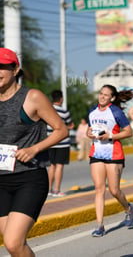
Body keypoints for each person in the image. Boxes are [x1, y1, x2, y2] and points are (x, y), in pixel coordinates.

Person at [0, 48, 68, 256]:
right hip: (1, 180)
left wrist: (34, 149)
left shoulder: (32, 97)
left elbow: (61, 130)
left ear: (15, 69)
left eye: (3, 66)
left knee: (13, 242)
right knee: (14, 245)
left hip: (29, 178)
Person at [87, 84, 133, 237]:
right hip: (96, 153)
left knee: (114, 190)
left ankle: (128, 208)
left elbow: (129, 132)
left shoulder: (116, 112)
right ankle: (100, 225)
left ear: (112, 98)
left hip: (114, 154)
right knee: (99, 189)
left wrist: (110, 136)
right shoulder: (92, 111)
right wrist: (90, 133)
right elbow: (89, 130)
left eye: (106, 95)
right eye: (101, 93)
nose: (102, 96)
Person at [47, 90, 74, 197]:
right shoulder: (64, 112)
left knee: (51, 166)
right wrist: (69, 127)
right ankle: (57, 190)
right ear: (61, 99)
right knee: (59, 166)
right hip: (62, 143)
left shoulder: (47, 110)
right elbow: (70, 125)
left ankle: (48, 189)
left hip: (49, 142)